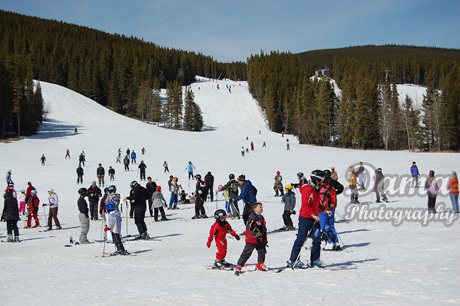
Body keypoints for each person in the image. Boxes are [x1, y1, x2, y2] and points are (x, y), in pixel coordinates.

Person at [287, 170, 331, 269]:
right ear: (316, 180)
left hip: (314, 218)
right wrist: (312, 215)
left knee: (317, 238)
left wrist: (324, 209)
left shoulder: (316, 189)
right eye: (321, 180)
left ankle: (315, 260)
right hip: (305, 218)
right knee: (301, 239)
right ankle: (293, 260)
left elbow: (316, 203)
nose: (323, 182)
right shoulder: (307, 189)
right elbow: (305, 205)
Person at [234, 203, 268, 275]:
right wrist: (254, 225)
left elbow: (263, 229)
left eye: (262, 207)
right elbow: (251, 226)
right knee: (246, 253)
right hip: (252, 239)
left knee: (262, 252)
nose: (261, 208)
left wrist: (265, 239)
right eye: (259, 207)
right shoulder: (252, 217)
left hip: (260, 239)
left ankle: (260, 264)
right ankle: (239, 266)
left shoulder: (261, 217)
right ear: (254, 209)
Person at [319, 170, 344, 251]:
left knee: (325, 226)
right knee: (331, 225)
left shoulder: (322, 185)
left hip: (324, 209)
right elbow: (341, 188)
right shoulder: (332, 184)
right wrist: (335, 194)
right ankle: (336, 242)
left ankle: (329, 243)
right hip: (332, 207)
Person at [104, 185, 129, 255]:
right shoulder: (117, 196)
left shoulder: (110, 197)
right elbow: (120, 202)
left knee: (115, 235)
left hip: (112, 214)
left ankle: (120, 249)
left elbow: (106, 203)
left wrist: (108, 226)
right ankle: (120, 248)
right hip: (117, 214)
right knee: (117, 233)